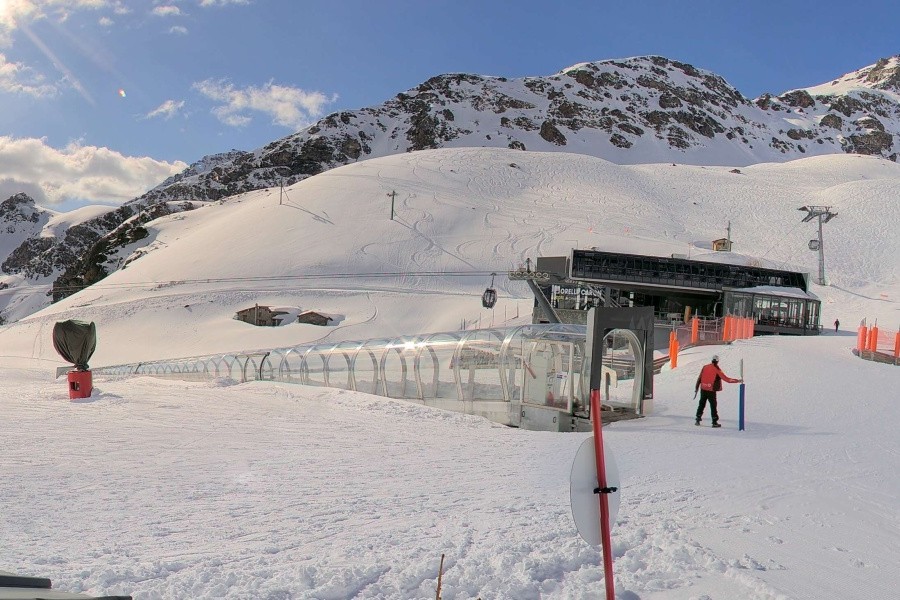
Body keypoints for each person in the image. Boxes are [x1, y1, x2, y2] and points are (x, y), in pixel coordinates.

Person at [694, 355, 742, 427]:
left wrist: (696, 388)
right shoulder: (716, 369)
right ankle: (714, 422)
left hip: (703, 388)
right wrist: (737, 381)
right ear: (717, 361)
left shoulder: (705, 367)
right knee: (713, 405)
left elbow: (699, 378)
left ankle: (698, 419)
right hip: (711, 390)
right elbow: (726, 379)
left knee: (701, 404)